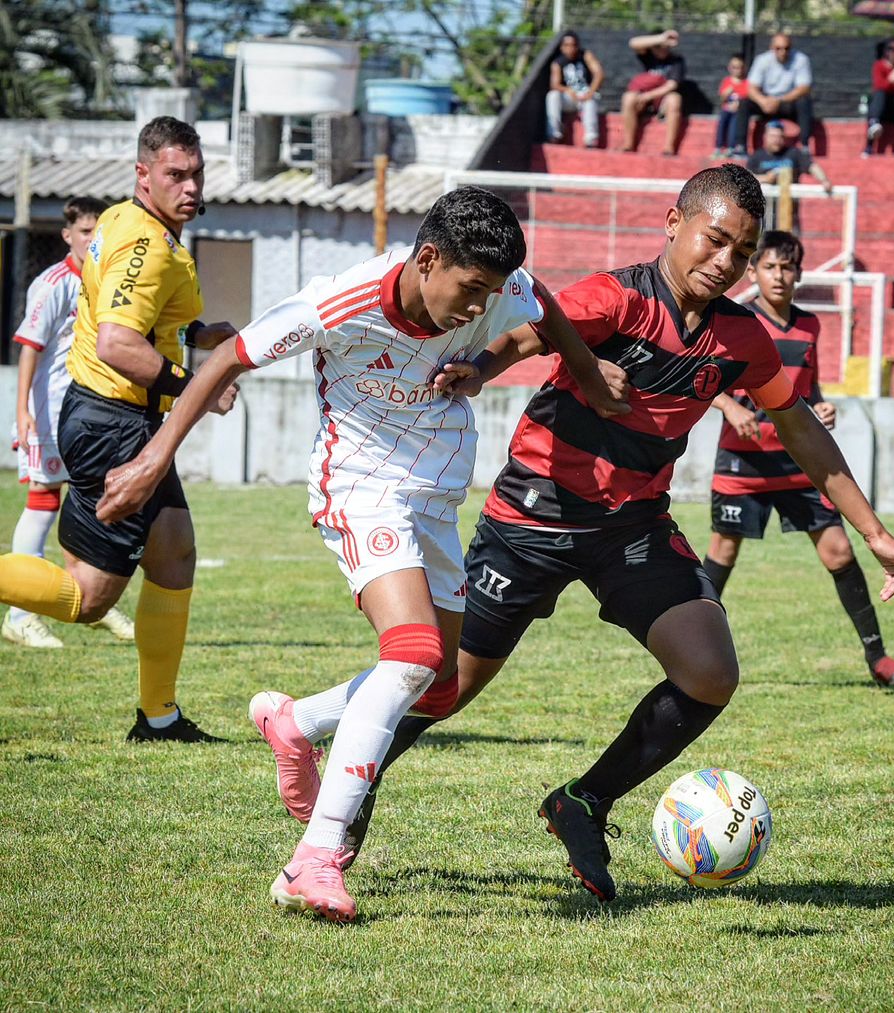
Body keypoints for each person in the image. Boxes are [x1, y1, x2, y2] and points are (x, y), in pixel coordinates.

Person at [293, 165, 894, 905]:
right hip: (532, 517)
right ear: (674, 224)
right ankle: (354, 788)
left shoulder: (743, 338)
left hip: (633, 525)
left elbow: (797, 426)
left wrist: (875, 531)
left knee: (710, 671)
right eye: (715, 239)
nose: (726, 261)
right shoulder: (618, 296)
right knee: (447, 684)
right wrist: (479, 366)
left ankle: (584, 800)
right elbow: (529, 329)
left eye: (742, 249)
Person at [94, 185, 630, 922]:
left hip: (435, 500)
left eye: (490, 294)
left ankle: (294, 719)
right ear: (428, 258)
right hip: (359, 487)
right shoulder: (341, 302)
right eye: (470, 291)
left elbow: (542, 304)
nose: (479, 310)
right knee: (410, 653)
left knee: (437, 686)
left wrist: (577, 372)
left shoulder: (499, 289)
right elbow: (229, 359)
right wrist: (156, 458)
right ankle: (313, 858)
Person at [0, 116, 238, 741]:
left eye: (196, 174)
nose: (190, 187)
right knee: (87, 599)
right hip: (116, 425)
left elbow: (140, 319)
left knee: (175, 555)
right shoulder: (147, 245)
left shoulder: (124, 220)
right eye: (175, 175)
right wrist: (199, 387)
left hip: (116, 416)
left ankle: (158, 717)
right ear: (144, 175)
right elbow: (117, 343)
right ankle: (158, 715)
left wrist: (197, 336)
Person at [705, 230, 894, 691]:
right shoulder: (736, 322)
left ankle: (878, 659)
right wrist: (731, 406)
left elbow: (809, 389)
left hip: (798, 465)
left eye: (787, 267)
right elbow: (704, 377)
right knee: (723, 552)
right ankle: (687, 654)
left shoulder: (810, 326)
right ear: (753, 271)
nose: (778, 276)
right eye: (769, 266)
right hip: (743, 465)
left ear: (799, 274)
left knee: (840, 551)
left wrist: (823, 407)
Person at [4, 196, 136, 650]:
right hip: (49, 411)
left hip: (86, 414)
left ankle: (89, 594)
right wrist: (21, 410)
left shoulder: (104, 280)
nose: (92, 240)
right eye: (85, 232)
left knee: (86, 506)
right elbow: (28, 347)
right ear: (68, 235)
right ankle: (20, 616)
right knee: (42, 500)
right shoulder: (55, 283)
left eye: (99, 232)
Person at [733, 33, 814, 156]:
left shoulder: (801, 60)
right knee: (744, 103)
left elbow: (804, 88)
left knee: (804, 102)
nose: (783, 52)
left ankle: (804, 146)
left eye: (786, 48)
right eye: (778, 48)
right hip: (766, 103)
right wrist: (762, 101)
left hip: (788, 103)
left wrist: (779, 100)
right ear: (771, 48)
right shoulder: (762, 60)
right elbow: (751, 88)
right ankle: (740, 147)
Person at [621, 29, 686, 156]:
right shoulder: (647, 56)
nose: (662, 49)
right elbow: (633, 43)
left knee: (675, 99)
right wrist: (661, 38)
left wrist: (648, 96)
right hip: (642, 99)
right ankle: (628, 144)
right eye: (659, 47)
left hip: (661, 100)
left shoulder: (676, 60)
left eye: (665, 46)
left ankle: (669, 148)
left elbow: (671, 85)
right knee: (628, 97)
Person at [546, 30, 604, 148]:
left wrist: (590, 92)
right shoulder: (557, 63)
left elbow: (599, 74)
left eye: (573, 45)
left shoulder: (586, 55)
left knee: (590, 100)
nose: (570, 48)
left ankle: (590, 139)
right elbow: (554, 84)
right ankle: (554, 134)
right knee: (552, 96)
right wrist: (567, 90)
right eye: (567, 45)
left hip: (586, 95)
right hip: (569, 98)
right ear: (562, 47)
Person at [865, 38, 894, 156]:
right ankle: (874, 125)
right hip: (880, 107)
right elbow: (880, 86)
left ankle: (869, 145)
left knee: (881, 95)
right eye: (891, 49)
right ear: (886, 51)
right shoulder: (879, 65)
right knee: (879, 95)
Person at [712, 53, 750, 159]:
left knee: (735, 123)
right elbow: (722, 98)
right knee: (722, 121)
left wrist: (738, 104)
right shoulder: (727, 81)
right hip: (727, 109)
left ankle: (731, 147)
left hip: (738, 110)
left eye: (740, 67)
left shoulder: (747, 83)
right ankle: (718, 147)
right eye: (734, 67)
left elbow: (747, 97)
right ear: (729, 68)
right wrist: (726, 93)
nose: (737, 70)